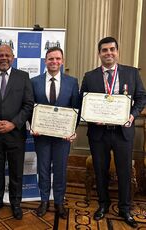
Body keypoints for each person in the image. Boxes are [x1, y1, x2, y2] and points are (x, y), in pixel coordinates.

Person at [80, 37, 145, 228]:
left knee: (124, 171)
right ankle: (103, 204)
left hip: (122, 132)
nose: (108, 53)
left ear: (117, 51)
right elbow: (83, 101)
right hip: (98, 133)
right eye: (104, 50)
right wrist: (91, 116)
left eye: (112, 49)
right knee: (100, 171)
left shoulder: (132, 73)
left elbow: (141, 98)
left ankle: (125, 208)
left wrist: (132, 116)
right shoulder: (89, 76)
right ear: (99, 53)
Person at [0, 44, 34, 220]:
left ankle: (16, 203)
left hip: (15, 134)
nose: (4, 58)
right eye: (0, 55)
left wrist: (14, 124)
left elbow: (28, 105)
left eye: (7, 55)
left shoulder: (23, 77)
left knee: (17, 171)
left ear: (13, 57)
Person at [31, 47, 80, 219]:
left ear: (62, 60)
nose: (54, 62)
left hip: (63, 137)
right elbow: (31, 108)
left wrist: (73, 131)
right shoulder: (34, 82)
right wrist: (32, 125)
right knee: (43, 169)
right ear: (45, 61)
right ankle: (44, 201)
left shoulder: (72, 82)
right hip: (41, 136)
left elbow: (76, 109)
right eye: (51, 59)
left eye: (57, 59)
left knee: (60, 170)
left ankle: (59, 202)